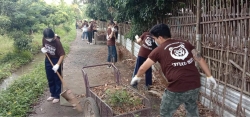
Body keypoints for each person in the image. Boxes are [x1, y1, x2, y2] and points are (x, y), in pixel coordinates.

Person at [130, 24, 217, 117]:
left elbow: (143, 67)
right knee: (192, 108)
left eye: (154, 39)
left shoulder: (158, 50)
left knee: (165, 112)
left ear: (160, 38)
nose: (154, 41)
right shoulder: (185, 43)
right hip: (195, 83)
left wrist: (137, 77)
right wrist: (209, 76)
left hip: (177, 85)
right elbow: (200, 59)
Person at [41, 28, 65, 103]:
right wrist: (43, 50)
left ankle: (57, 95)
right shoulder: (44, 38)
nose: (48, 40)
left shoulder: (57, 42)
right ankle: (52, 94)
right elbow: (43, 46)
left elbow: (62, 54)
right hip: (48, 60)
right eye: (47, 38)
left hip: (56, 60)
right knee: (50, 77)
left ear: (53, 36)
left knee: (57, 78)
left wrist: (57, 65)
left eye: (50, 38)